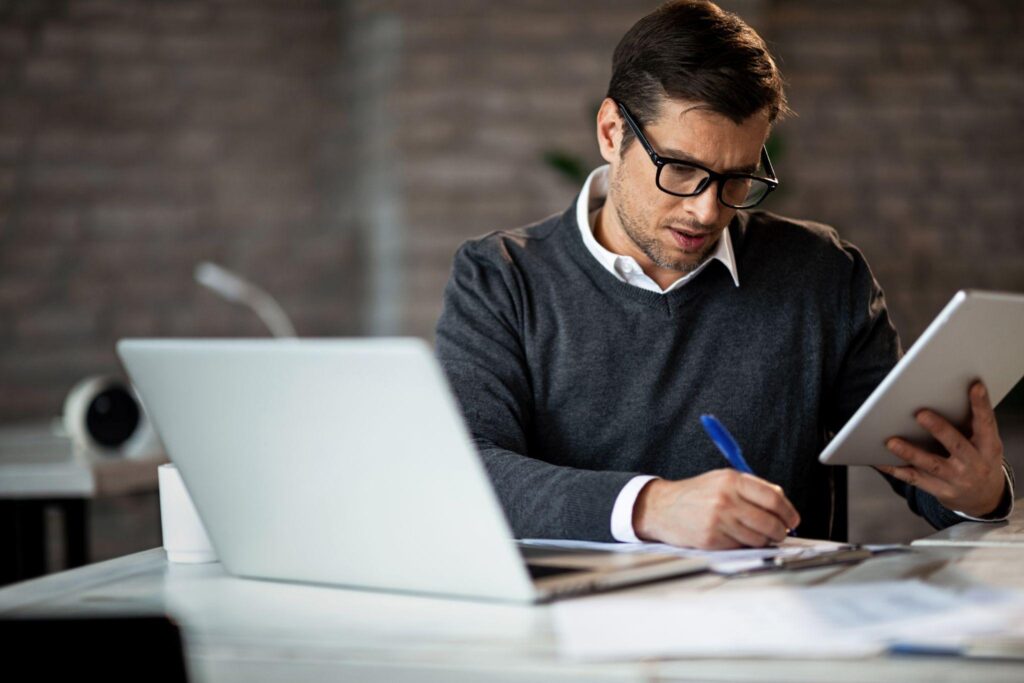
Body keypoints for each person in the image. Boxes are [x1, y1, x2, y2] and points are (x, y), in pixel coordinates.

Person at [434, 0, 1014, 549]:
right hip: (574, 635)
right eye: (682, 170)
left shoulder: (823, 275)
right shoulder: (500, 277)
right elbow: (466, 470)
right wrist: (651, 507)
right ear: (612, 133)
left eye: (737, 178)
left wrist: (976, 493)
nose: (708, 211)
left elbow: (921, 471)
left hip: (776, 627)